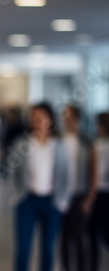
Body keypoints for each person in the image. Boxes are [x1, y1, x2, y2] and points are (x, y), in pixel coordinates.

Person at [9, 102, 72, 271]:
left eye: (41, 117)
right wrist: (15, 195)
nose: (37, 121)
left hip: (51, 201)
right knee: (23, 249)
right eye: (34, 118)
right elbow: (12, 170)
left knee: (48, 249)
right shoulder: (22, 143)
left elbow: (66, 174)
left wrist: (63, 201)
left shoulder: (58, 146)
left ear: (50, 120)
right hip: (27, 200)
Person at [59, 104, 97, 271]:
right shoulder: (58, 140)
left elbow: (93, 171)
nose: (67, 120)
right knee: (64, 237)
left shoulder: (87, 141)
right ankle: (66, 267)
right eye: (65, 116)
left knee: (80, 236)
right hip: (62, 195)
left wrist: (90, 198)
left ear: (77, 119)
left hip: (79, 194)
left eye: (70, 116)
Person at [88, 112, 109, 271]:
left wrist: (90, 197)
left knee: (94, 234)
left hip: (100, 193)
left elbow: (94, 174)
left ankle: (94, 266)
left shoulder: (98, 146)